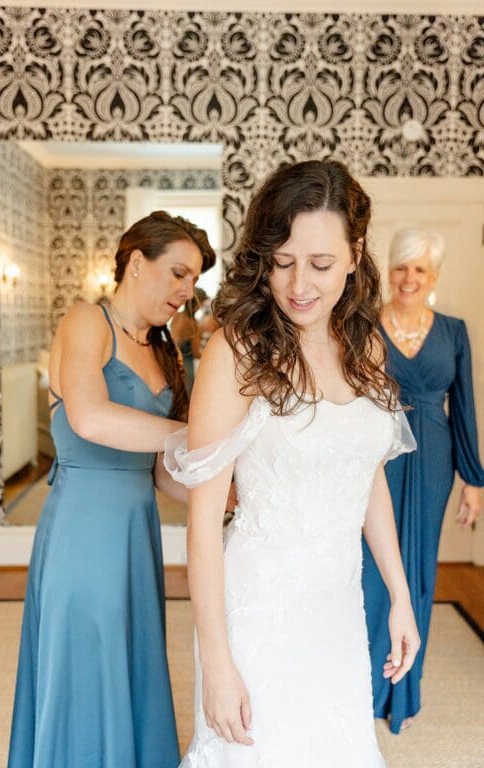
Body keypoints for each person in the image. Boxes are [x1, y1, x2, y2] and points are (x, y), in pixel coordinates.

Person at [165, 159, 420, 766]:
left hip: (338, 606)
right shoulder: (238, 351)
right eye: (282, 262)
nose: (299, 284)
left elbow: (367, 477)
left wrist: (400, 594)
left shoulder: (365, 346)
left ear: (354, 256)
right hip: (258, 610)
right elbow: (203, 524)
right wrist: (216, 661)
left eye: (320, 264)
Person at [8, 211, 217, 768]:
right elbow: (90, 418)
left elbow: (161, 472)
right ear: (136, 262)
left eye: (194, 280)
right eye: (178, 273)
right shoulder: (87, 320)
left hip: (137, 535)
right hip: (83, 530)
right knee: (86, 665)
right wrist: (197, 438)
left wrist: (223, 493)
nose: (186, 291)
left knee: (133, 662)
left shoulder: (164, 350)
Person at [362, 227, 483, 733]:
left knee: (418, 571)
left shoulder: (453, 331)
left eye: (420, 269)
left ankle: (404, 691)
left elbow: (465, 407)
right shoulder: (363, 324)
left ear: (434, 277)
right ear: (388, 271)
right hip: (377, 457)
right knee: (371, 568)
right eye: (401, 267)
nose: (409, 278)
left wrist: (474, 479)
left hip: (434, 457)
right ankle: (365, 688)